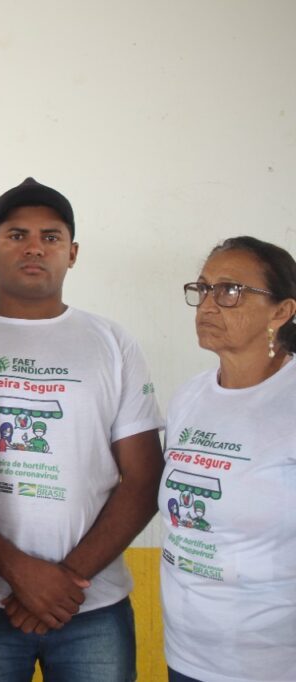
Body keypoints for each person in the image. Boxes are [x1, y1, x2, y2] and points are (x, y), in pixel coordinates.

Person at [0, 178, 164, 681]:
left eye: (51, 236)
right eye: (16, 235)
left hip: (91, 604)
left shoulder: (113, 343)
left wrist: (66, 580)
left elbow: (144, 478)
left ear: (73, 253)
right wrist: (17, 571)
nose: (35, 247)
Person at [160, 236, 296, 682]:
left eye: (230, 291)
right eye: (203, 289)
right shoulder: (189, 397)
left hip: (272, 663)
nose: (207, 305)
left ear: (281, 311)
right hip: (186, 656)